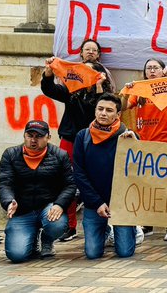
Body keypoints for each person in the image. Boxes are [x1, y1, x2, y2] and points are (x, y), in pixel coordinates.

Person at [40, 39, 114, 242]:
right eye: (84, 70)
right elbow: (49, 89)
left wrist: (98, 86)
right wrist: (49, 72)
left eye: (92, 70)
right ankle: (70, 226)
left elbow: (104, 107)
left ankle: (105, 226)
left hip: (96, 141)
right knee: (67, 180)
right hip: (71, 139)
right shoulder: (71, 90)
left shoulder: (103, 93)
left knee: (99, 180)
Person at [121, 59, 167, 242]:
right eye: (149, 68)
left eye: (156, 68)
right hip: (144, 143)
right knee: (146, 185)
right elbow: (122, 107)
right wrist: (125, 92)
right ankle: (147, 224)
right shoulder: (139, 90)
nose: (152, 71)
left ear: (163, 71)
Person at [0, 120, 74, 263]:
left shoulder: (60, 155)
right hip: (22, 210)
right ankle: (31, 241)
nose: (33, 140)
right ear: (24, 135)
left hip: (48, 207)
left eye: (38, 136)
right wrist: (9, 202)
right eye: (29, 135)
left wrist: (59, 204)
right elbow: (5, 183)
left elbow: (70, 185)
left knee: (57, 224)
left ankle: (47, 239)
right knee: (16, 255)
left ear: (48, 137)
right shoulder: (10, 154)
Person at [72, 93, 138, 260]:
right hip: (95, 203)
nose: (103, 113)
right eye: (100, 109)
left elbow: (143, 167)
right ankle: (106, 231)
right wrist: (97, 203)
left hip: (121, 202)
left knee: (124, 252)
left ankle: (133, 230)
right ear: (95, 111)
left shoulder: (127, 135)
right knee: (93, 253)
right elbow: (79, 173)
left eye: (109, 110)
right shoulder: (83, 137)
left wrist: (136, 143)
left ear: (118, 115)